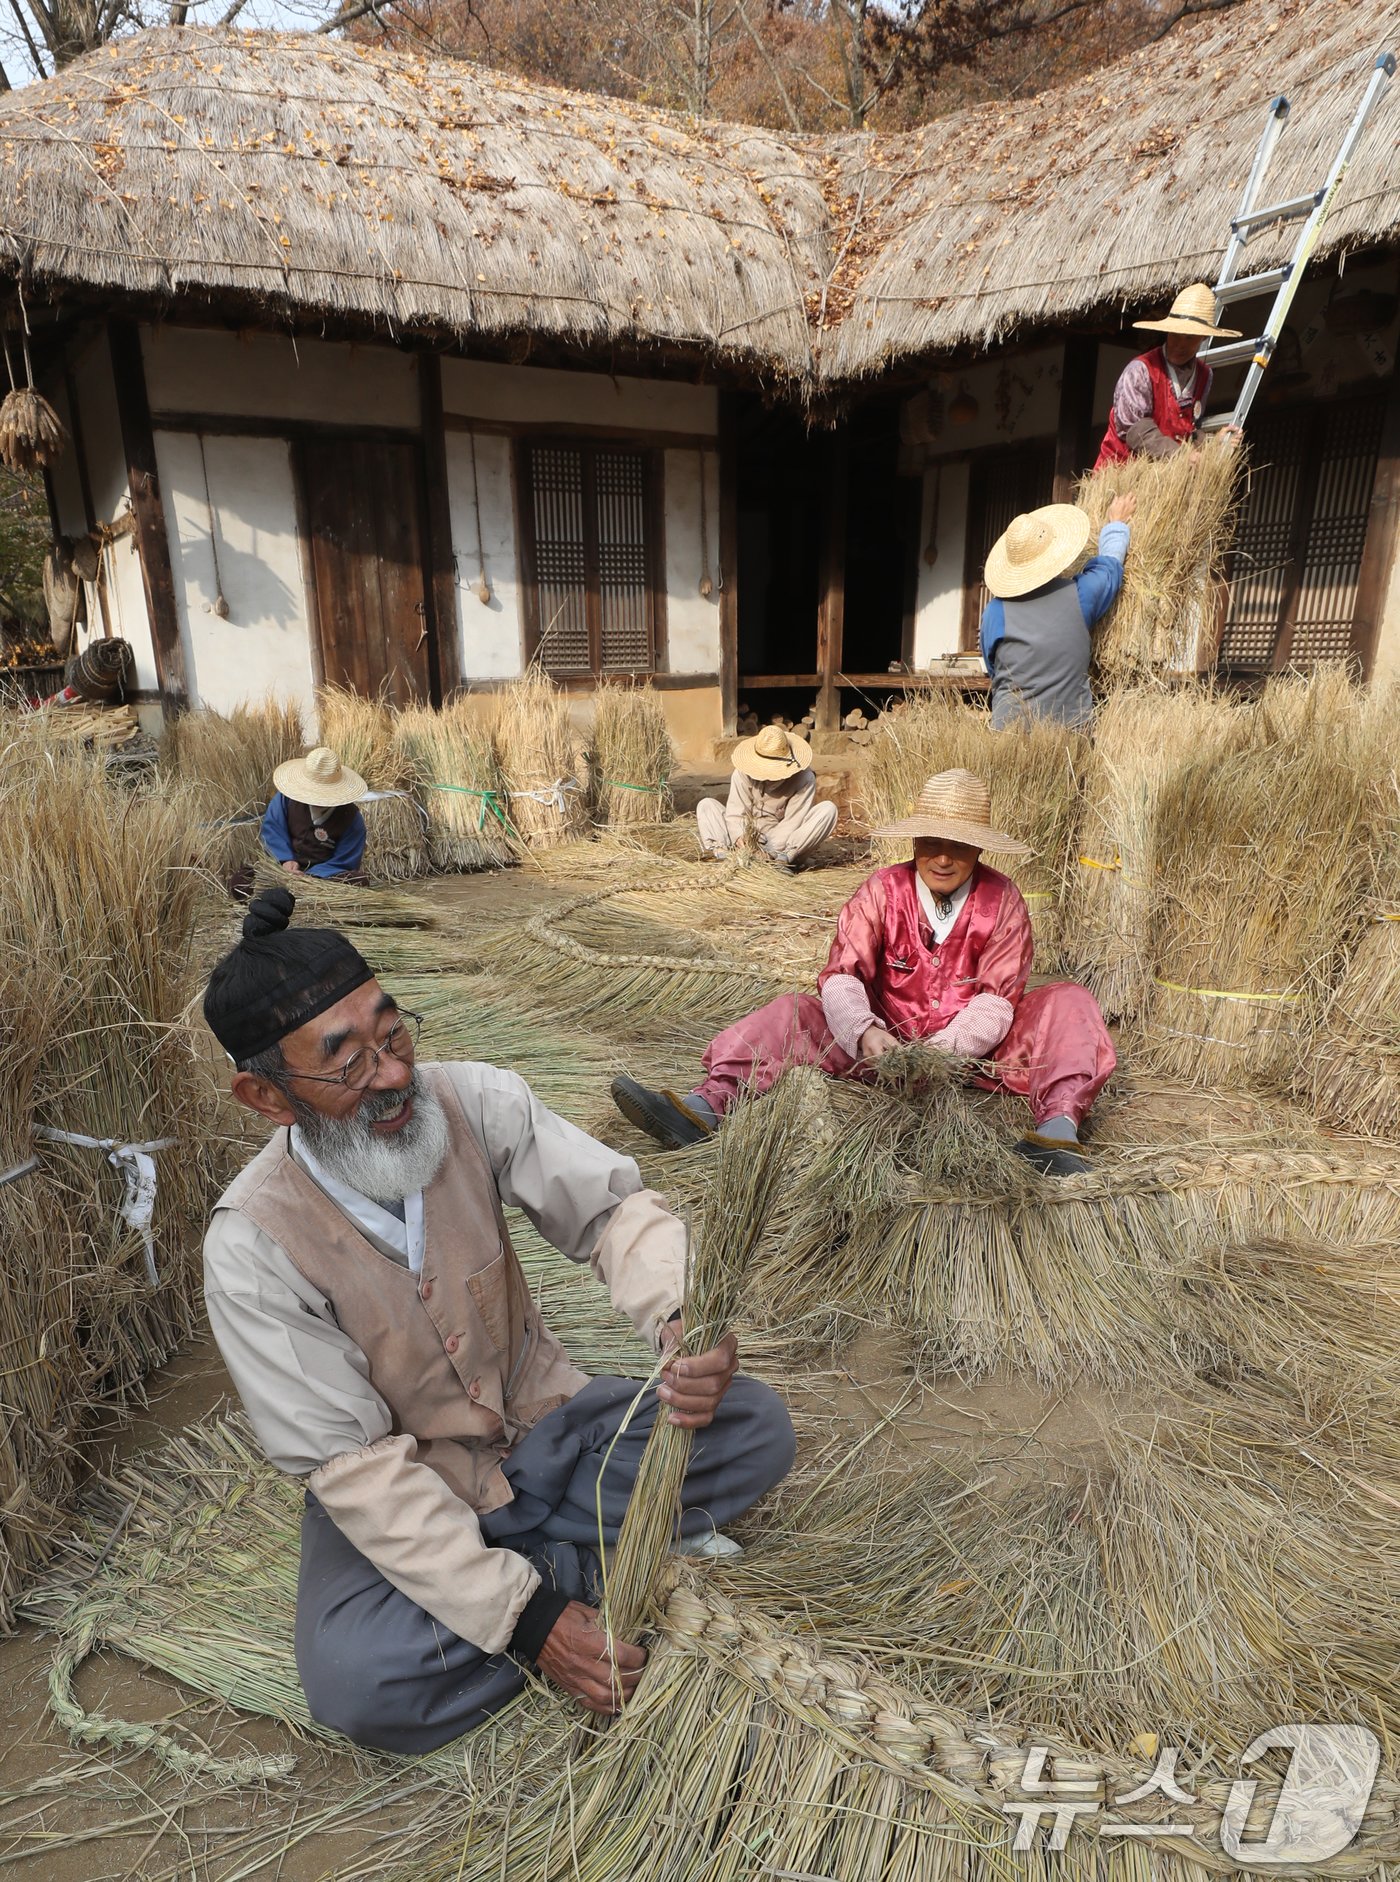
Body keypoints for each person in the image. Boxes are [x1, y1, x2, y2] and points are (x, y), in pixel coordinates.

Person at [201, 888, 795, 1754]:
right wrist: (529, 1616)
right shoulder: (252, 1246)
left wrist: (680, 1321)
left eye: (393, 1035)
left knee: (755, 1429)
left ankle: (548, 1556)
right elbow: (357, 1469)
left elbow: (611, 1215)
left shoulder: (473, 1101)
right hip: (411, 1489)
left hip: (549, 1430)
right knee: (356, 1681)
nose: (394, 1075)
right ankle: (568, 1564)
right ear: (267, 1095)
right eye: (349, 1063)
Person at [613, 769, 1115, 1177]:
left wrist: (944, 1054)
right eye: (932, 841)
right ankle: (704, 1110)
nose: (943, 857)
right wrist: (865, 1031)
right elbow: (842, 975)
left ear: (979, 851)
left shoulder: (1001, 901)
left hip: (975, 1057)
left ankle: (1056, 1131)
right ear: (916, 838)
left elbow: (997, 1000)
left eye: (959, 847)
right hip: (880, 1045)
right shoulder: (881, 890)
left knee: (1068, 1001)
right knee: (793, 1013)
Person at [980, 496, 1136, 731]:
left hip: (1007, 741)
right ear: (1054, 553)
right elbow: (1110, 568)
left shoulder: (994, 612)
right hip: (1069, 741)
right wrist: (1116, 523)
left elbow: (995, 670)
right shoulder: (1080, 595)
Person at [1095, 283, 1241, 467]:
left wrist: (1213, 442)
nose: (1180, 344)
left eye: (1189, 337)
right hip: (1121, 474)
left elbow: (1186, 430)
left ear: (1203, 338)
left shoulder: (1204, 375)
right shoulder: (1140, 370)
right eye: (1175, 335)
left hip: (1164, 478)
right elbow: (1135, 431)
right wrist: (1180, 456)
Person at [696, 725, 837, 874]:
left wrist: (770, 851)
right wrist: (741, 838)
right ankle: (724, 856)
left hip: (781, 845)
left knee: (828, 810)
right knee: (707, 805)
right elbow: (736, 813)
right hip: (744, 842)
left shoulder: (804, 778)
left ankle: (782, 862)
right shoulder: (742, 773)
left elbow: (793, 822)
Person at [260, 746, 369, 880]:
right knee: (241, 880)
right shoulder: (286, 799)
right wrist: (285, 860)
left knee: (357, 880)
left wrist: (312, 876)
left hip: (324, 878)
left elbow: (345, 859)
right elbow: (273, 831)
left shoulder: (351, 817)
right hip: (283, 870)